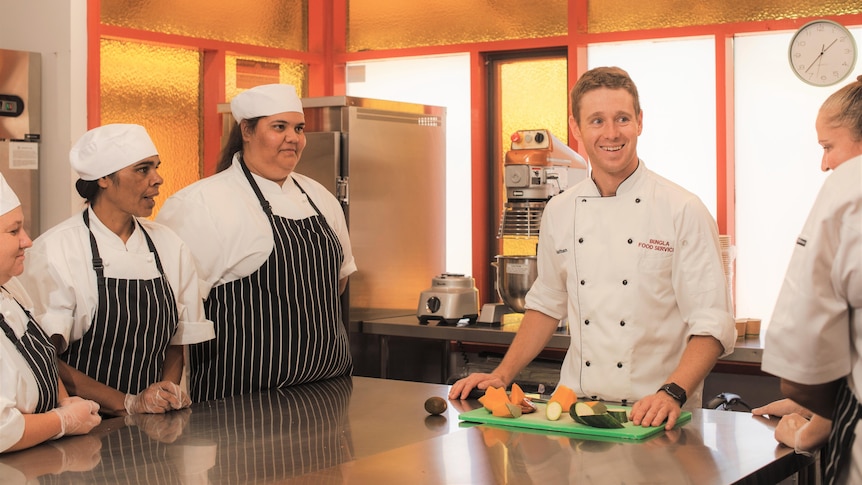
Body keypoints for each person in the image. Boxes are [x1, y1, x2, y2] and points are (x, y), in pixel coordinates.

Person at [450, 66, 736, 430]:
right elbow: (546, 303)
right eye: (597, 121)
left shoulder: (682, 208)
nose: (612, 133)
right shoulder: (559, 210)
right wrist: (503, 374)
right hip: (577, 415)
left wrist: (673, 393)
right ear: (576, 128)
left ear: (640, 122)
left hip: (657, 416)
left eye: (622, 119)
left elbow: (712, 323)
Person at [156, 83, 355, 402]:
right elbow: (176, 308)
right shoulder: (200, 204)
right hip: (243, 400)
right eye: (279, 127)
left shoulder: (319, 197)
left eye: (299, 128)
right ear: (246, 130)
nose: (293, 137)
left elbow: (339, 281)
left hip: (328, 389)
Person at [18, 124, 215, 417]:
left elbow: (176, 342)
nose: (157, 179)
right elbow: (46, 359)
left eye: (156, 167)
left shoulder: (169, 246)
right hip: (82, 425)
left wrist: (160, 395)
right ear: (104, 179)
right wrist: (127, 403)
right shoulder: (56, 250)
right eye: (142, 169)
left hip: (151, 429)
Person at [761, 74, 862, 484]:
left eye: (828, 146)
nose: (825, 163)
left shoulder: (849, 186)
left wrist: (816, 418)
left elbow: (800, 365)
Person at [0, 173, 102, 453]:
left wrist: (65, 400)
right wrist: (62, 421)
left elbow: (37, 353)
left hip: (40, 456)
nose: (27, 241)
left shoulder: (10, 286)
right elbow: (2, 430)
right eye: (13, 231)